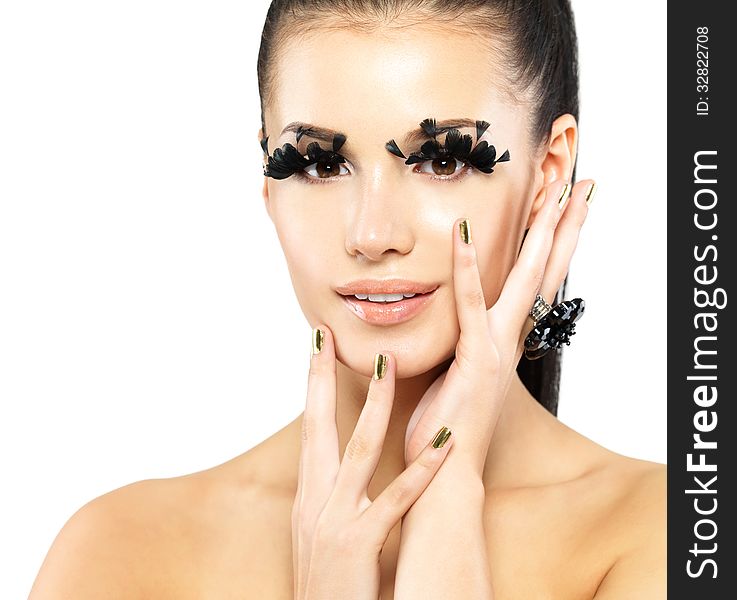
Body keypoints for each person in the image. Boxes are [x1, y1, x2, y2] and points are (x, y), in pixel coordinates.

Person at [29, 0, 666, 597]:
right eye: (318, 165)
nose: (372, 234)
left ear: (547, 173)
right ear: (270, 186)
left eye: (442, 161)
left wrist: (446, 500)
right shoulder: (122, 553)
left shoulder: (661, 536)